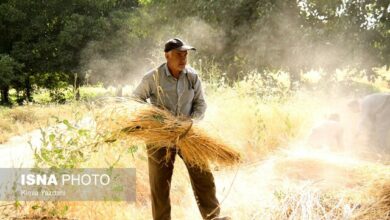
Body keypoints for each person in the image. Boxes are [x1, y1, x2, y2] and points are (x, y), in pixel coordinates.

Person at [132, 38, 229, 220]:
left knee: (203, 176)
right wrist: (153, 120)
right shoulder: (153, 77)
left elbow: (201, 104)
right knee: (160, 184)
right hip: (159, 138)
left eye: (186, 54)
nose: (183, 58)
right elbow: (135, 100)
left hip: (188, 135)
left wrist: (191, 123)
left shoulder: (192, 77)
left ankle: (213, 217)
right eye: (179, 54)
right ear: (167, 56)